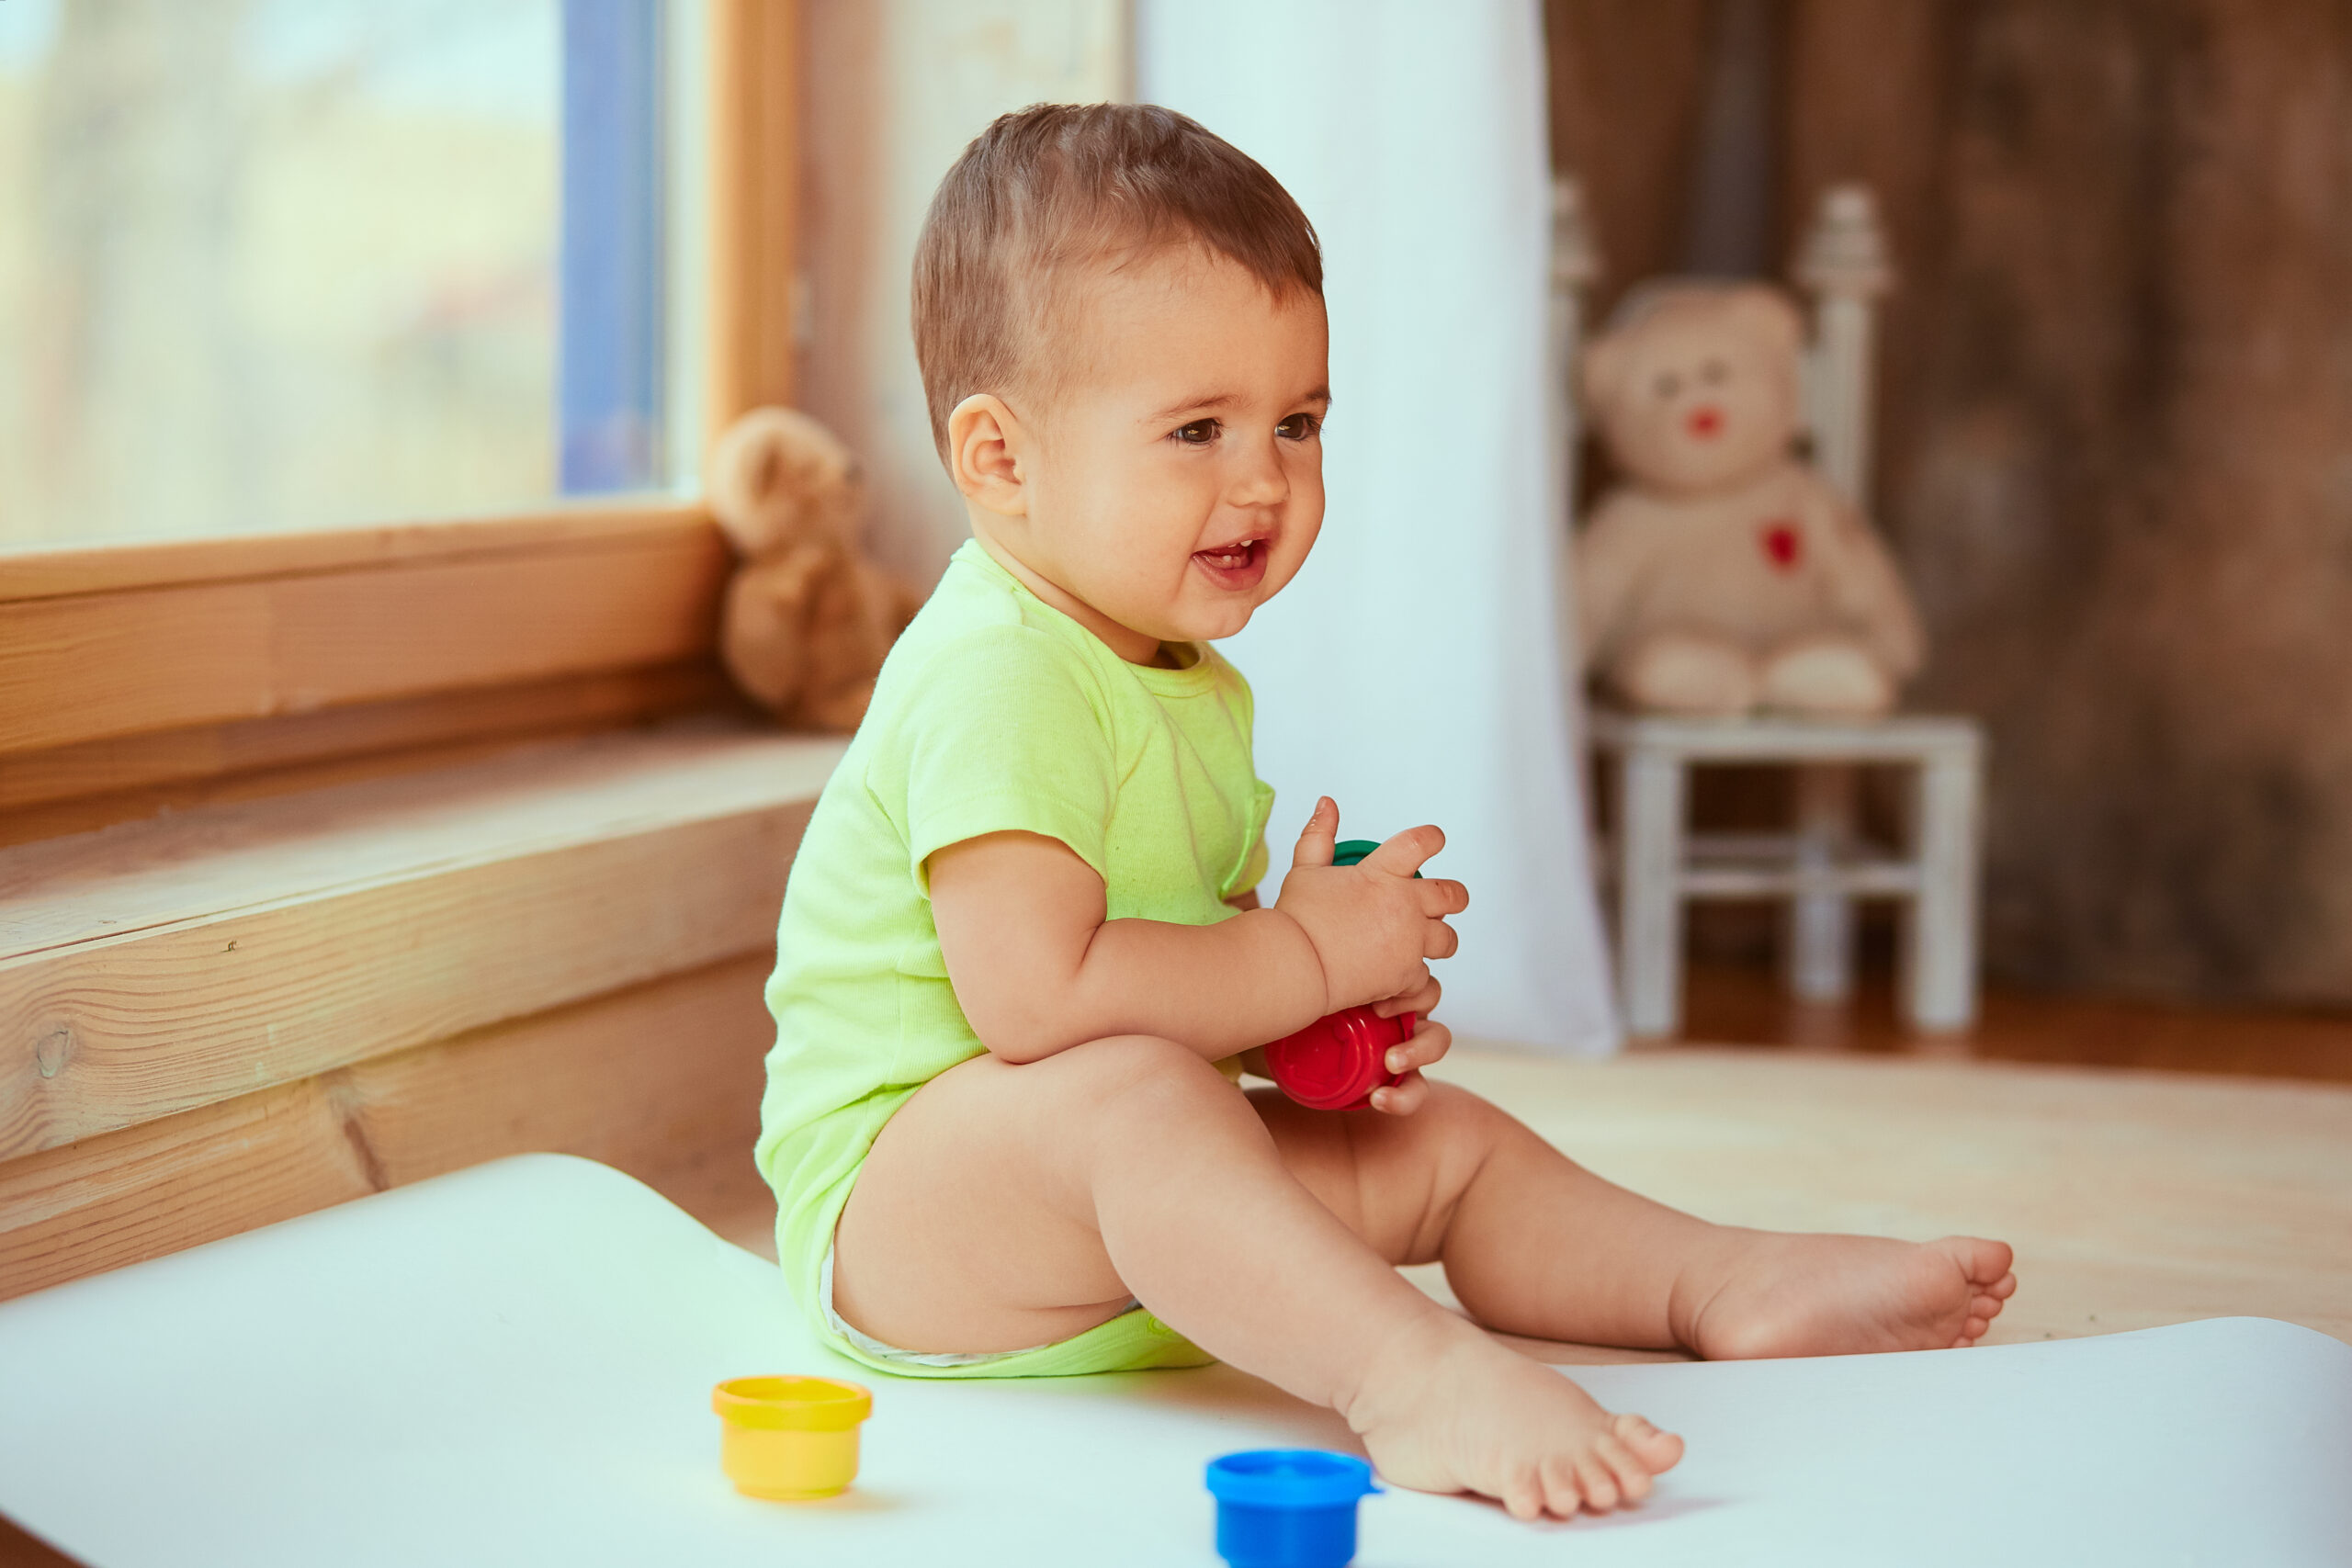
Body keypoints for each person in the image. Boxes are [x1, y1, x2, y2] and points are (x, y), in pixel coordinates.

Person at [753, 102, 2017, 1522]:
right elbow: (1041, 1005)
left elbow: (1175, 972)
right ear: (1001, 460)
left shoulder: (1180, 675)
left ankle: (1721, 1280)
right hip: (911, 1223)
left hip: (1118, 1218)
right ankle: (1410, 1380)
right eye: (1197, 429)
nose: (1264, 479)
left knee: (1436, 1148)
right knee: (1139, 1105)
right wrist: (1298, 953)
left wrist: (1308, 1027)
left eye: (1296, 423)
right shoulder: (999, 670)